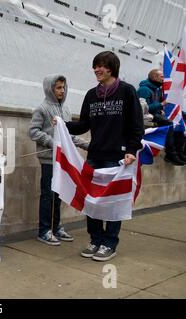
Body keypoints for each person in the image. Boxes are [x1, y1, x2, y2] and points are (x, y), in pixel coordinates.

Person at [55, 51, 144, 261]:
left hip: (118, 158)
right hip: (95, 157)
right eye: (95, 66)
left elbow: (136, 126)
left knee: (113, 203)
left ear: (111, 68)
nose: (96, 70)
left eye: (100, 66)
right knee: (92, 201)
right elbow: (84, 124)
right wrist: (63, 124)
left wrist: (131, 150)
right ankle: (95, 240)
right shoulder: (91, 95)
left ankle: (109, 243)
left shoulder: (127, 91)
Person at [29, 74, 89, 246]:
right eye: (58, 88)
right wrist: (53, 143)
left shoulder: (66, 110)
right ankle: (44, 230)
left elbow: (68, 136)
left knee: (59, 193)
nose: (62, 91)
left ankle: (56, 227)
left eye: (63, 87)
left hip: (62, 159)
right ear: (50, 88)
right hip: (48, 159)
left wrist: (86, 145)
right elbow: (33, 131)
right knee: (48, 194)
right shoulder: (42, 108)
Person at [137, 69, 186, 165]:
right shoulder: (144, 90)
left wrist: (160, 108)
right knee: (169, 123)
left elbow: (157, 106)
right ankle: (171, 154)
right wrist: (162, 104)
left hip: (156, 114)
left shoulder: (157, 89)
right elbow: (143, 109)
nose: (164, 79)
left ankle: (180, 152)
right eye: (162, 77)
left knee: (180, 121)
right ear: (154, 77)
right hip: (146, 116)